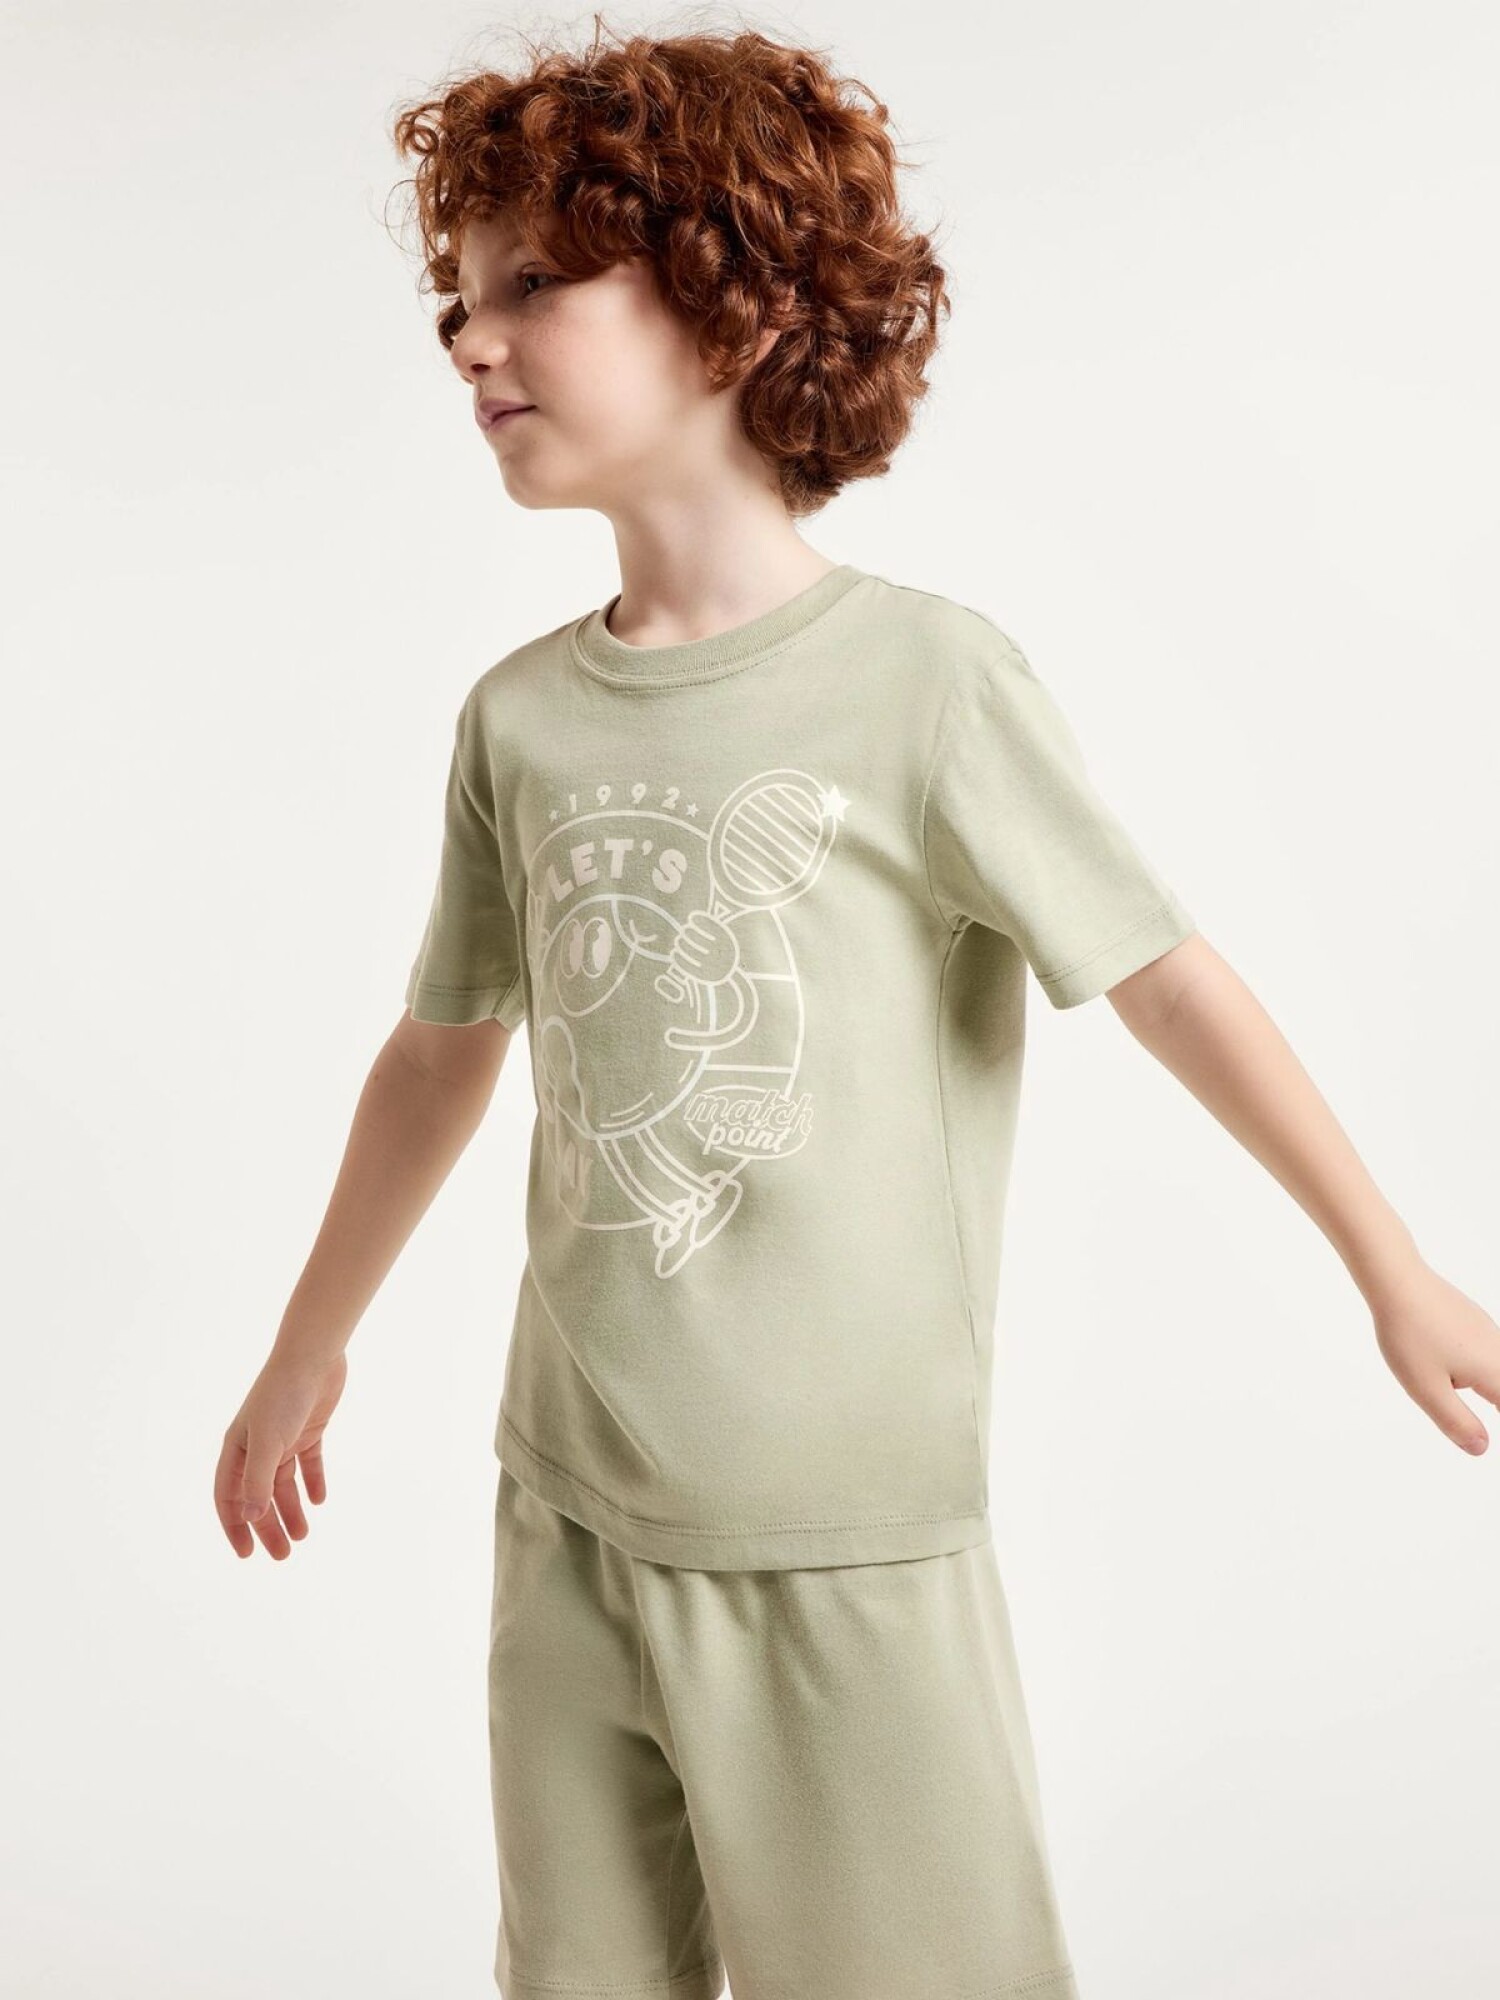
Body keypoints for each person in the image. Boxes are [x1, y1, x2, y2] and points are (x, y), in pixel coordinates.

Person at [212, 20, 1500, 1999]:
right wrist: (308, 1347)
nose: (472, 341)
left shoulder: (928, 686)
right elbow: (439, 1053)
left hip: (842, 1546)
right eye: (457, 301)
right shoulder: (520, 719)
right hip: (567, 1511)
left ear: (730, 306)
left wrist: (1390, 1270)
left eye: (533, 284)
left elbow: (1164, 979)